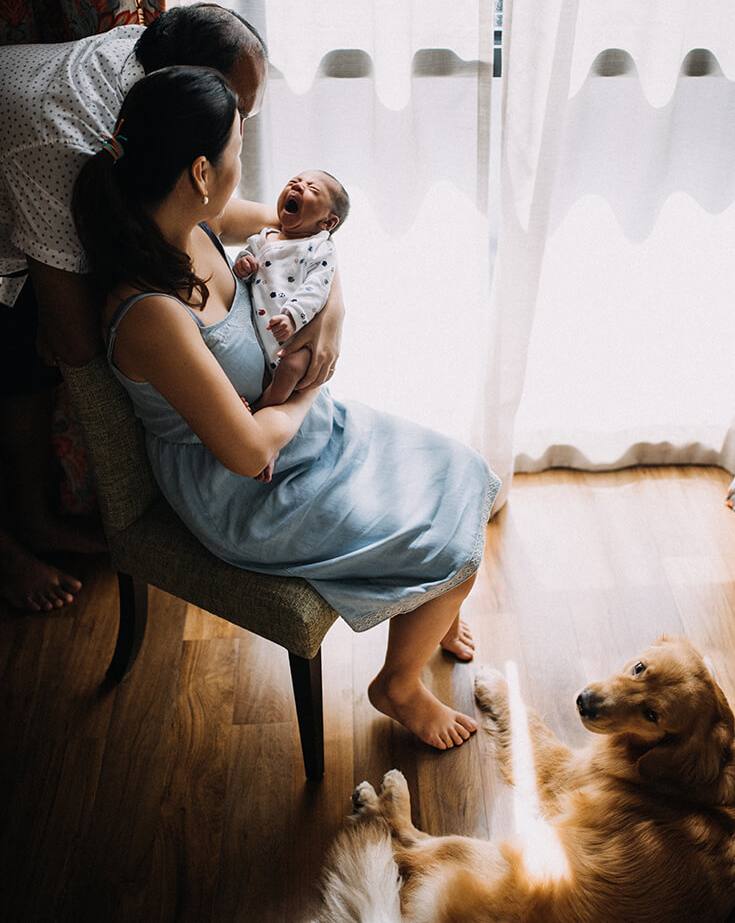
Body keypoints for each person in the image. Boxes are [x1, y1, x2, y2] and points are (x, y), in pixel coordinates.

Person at [73, 66, 501, 750]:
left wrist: (330, 314)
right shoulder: (151, 313)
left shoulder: (198, 220)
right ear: (201, 172)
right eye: (239, 151)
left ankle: (432, 605)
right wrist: (308, 388)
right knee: (450, 544)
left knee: (464, 470)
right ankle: (396, 684)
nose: (249, 170)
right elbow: (244, 452)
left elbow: (313, 239)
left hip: (295, 433)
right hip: (244, 486)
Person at [0, 3, 343, 611]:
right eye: (236, 117)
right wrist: (192, 380)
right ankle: (15, 541)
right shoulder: (63, 142)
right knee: (29, 362)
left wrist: (315, 261)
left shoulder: (150, 99)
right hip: (22, 179)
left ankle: (34, 518)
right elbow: (78, 346)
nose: (242, 128)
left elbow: (227, 216)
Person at [233, 169, 349, 409]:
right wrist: (243, 264)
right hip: (261, 335)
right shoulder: (263, 238)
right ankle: (259, 399)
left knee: (293, 367)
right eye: (293, 182)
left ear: (327, 222)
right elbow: (245, 266)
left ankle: (261, 407)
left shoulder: (318, 249)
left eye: (311, 189)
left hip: (296, 337)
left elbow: (316, 289)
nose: (297, 187)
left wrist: (292, 318)